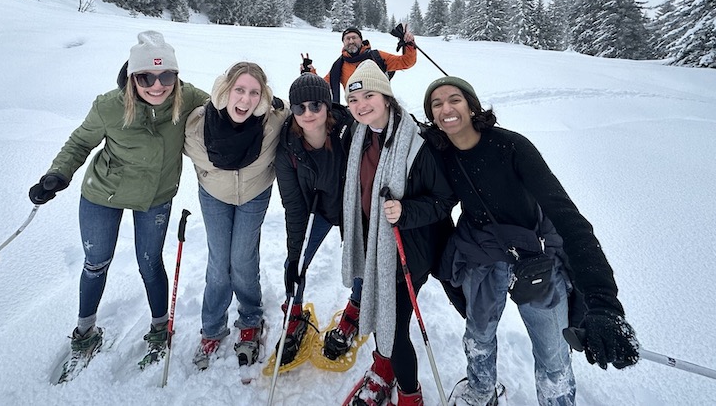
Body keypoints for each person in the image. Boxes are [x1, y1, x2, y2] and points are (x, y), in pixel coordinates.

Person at [422, 76, 639, 406]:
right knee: (478, 335)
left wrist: (605, 305)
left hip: (536, 256)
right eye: (436, 104)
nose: (446, 108)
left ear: (471, 104)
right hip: (480, 255)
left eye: (454, 99)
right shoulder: (440, 155)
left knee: (553, 354)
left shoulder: (511, 147)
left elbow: (568, 218)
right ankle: (480, 393)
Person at [28, 30, 209, 372]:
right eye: (146, 77)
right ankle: (85, 332)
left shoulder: (187, 98)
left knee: (149, 263)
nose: (157, 86)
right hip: (103, 192)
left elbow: (227, 104)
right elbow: (80, 143)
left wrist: (264, 107)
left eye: (166, 75)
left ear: (176, 76)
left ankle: (159, 328)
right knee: (95, 263)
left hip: (155, 196)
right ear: (132, 77)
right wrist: (57, 174)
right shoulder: (109, 107)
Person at [340, 60, 454, 406]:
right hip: (373, 248)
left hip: (409, 252)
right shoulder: (357, 135)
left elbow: (444, 200)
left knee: (395, 327)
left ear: (386, 96)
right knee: (377, 313)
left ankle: (409, 394)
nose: (361, 106)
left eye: (369, 95)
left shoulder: (416, 143)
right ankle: (382, 368)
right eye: (354, 100)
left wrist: (406, 212)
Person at [184, 61, 288, 369]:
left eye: (254, 93)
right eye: (239, 90)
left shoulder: (274, 119)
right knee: (219, 262)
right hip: (214, 195)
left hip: (254, 195)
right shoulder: (197, 123)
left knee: (242, 258)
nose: (245, 99)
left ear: (263, 97)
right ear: (225, 90)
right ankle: (213, 328)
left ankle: (250, 318)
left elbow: (312, 114)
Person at [274, 72, 361, 365]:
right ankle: (294, 312)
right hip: (318, 209)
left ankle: (357, 306)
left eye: (315, 106)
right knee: (295, 262)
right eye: (299, 108)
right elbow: (294, 207)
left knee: (362, 259)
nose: (307, 114)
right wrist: (296, 255)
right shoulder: (287, 147)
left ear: (327, 105)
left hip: (353, 207)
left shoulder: (351, 128)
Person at [304, 25, 417, 103]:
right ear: (343, 43)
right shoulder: (338, 66)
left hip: (380, 109)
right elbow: (323, 86)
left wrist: (409, 44)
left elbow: (406, 62)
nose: (351, 41)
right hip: (357, 111)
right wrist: (310, 73)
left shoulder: (377, 56)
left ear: (361, 40)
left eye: (354, 38)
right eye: (347, 39)